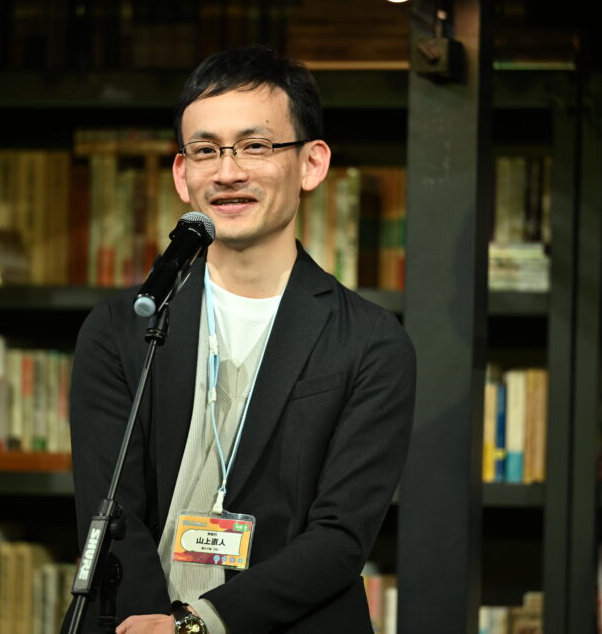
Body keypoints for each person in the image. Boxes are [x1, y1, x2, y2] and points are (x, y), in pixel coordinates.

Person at [69, 45, 416, 634]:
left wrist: (197, 625)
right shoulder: (123, 327)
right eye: (206, 151)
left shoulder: (370, 343)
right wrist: (152, 625)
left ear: (311, 164)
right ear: (182, 174)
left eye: (255, 146)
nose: (228, 172)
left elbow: (339, 538)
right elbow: (110, 510)